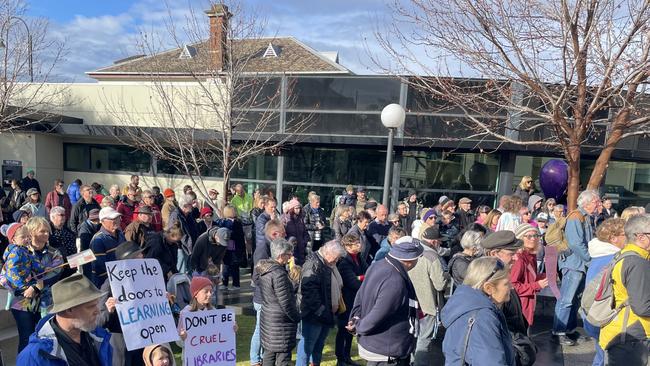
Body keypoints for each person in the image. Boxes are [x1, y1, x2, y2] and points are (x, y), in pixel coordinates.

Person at [348, 237, 423, 366]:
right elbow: (379, 313)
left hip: (378, 345)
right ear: (410, 260)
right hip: (386, 351)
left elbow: (360, 295)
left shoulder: (378, 265)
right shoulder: (395, 280)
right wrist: (359, 326)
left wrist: (355, 318)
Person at [17, 273, 117, 365]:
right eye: (90, 306)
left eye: (96, 305)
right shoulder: (34, 357)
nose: (98, 311)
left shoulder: (98, 337)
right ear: (69, 309)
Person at [441, 257, 516, 366]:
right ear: (489, 288)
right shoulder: (483, 317)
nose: (511, 287)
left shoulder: (463, 305)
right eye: (506, 284)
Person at [599, 215, 650, 365]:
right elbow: (642, 307)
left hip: (623, 331)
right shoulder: (637, 262)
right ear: (641, 237)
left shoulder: (626, 254)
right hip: (632, 335)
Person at [553, 190, 599, 346]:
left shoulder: (586, 217)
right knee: (566, 299)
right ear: (586, 203)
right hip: (574, 264)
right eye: (595, 202)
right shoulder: (575, 217)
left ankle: (570, 330)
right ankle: (559, 331)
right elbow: (575, 243)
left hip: (580, 265)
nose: (598, 204)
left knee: (575, 299)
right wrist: (590, 259)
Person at [583, 218, 626, 366]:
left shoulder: (600, 255)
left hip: (596, 316)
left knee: (601, 356)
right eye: (625, 234)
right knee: (605, 359)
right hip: (605, 318)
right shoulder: (613, 259)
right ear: (613, 238)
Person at [296, 240, 346, 366]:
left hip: (325, 312)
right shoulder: (313, 264)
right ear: (327, 252)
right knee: (307, 347)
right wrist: (321, 310)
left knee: (318, 345)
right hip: (314, 314)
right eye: (335, 259)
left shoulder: (326, 263)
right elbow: (309, 291)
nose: (336, 262)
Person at [98, 241, 146, 366]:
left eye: (141, 254)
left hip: (144, 337)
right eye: (137, 256)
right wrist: (109, 310)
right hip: (122, 342)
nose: (141, 257)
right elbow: (99, 321)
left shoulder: (147, 279)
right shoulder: (110, 284)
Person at [255, 238, 301, 366]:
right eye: (288, 254)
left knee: (269, 354)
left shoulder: (265, 269)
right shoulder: (278, 273)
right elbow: (285, 302)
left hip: (268, 317)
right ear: (281, 255)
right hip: (281, 323)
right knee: (283, 358)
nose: (291, 256)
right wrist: (296, 317)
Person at [408, 230, 449, 366]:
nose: (440, 243)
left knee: (411, 337)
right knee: (424, 340)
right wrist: (446, 277)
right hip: (426, 305)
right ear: (434, 241)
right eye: (439, 240)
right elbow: (439, 284)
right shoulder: (432, 256)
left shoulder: (411, 250)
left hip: (409, 303)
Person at [250, 219, 286, 366]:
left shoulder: (271, 245)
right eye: (283, 234)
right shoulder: (263, 248)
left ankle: (262, 357)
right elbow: (257, 276)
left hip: (268, 296)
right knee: (260, 329)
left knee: (265, 329)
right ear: (274, 233)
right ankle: (254, 359)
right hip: (262, 297)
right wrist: (270, 288)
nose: (284, 236)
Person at [2, 224, 42, 353]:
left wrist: (41, 268)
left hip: (29, 297)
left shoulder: (25, 250)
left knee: (33, 330)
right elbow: (12, 274)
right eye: (23, 237)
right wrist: (24, 287)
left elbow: (34, 264)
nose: (27, 239)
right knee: (26, 335)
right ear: (13, 239)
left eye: (28, 236)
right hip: (20, 296)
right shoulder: (15, 252)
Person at [481, 231, 528, 336]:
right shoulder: (487, 284)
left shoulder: (503, 276)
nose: (516, 258)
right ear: (493, 254)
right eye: (511, 254)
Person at [336, 234, 368, 366]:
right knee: (344, 330)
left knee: (350, 331)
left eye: (358, 243)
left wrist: (361, 277)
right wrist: (361, 278)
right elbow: (352, 282)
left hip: (356, 301)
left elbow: (369, 273)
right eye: (355, 244)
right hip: (347, 301)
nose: (359, 245)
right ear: (348, 246)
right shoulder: (344, 262)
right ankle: (341, 358)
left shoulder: (359, 258)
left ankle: (347, 357)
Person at [512, 223, 548, 328]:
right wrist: (537, 285)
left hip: (527, 304)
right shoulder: (519, 259)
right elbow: (513, 286)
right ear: (520, 238)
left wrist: (545, 276)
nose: (533, 239)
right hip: (520, 307)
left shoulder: (530, 255)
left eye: (535, 235)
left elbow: (529, 278)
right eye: (528, 236)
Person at [90, 207, 126, 287]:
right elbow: (100, 265)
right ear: (103, 221)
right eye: (113, 219)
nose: (117, 220)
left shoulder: (120, 234)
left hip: (121, 278)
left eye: (117, 218)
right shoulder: (98, 239)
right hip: (105, 283)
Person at [168, 194, 199, 274]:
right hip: (181, 248)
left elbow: (194, 230)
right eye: (190, 204)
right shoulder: (175, 215)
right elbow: (173, 233)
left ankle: (188, 286)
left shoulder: (189, 215)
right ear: (185, 205)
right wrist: (180, 246)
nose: (192, 206)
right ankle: (181, 286)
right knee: (181, 271)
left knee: (189, 270)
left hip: (190, 247)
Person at [220, 205, 246, 290]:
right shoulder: (224, 222)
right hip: (227, 247)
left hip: (235, 247)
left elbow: (240, 235)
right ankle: (225, 283)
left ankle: (236, 284)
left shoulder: (237, 222)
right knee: (226, 265)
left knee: (234, 266)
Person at [284, 199, 310, 265]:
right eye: (296, 208)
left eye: (299, 208)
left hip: (301, 249)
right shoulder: (285, 219)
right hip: (291, 250)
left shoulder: (301, 219)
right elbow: (283, 235)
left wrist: (304, 241)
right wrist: (289, 243)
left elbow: (305, 232)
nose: (298, 210)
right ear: (292, 208)